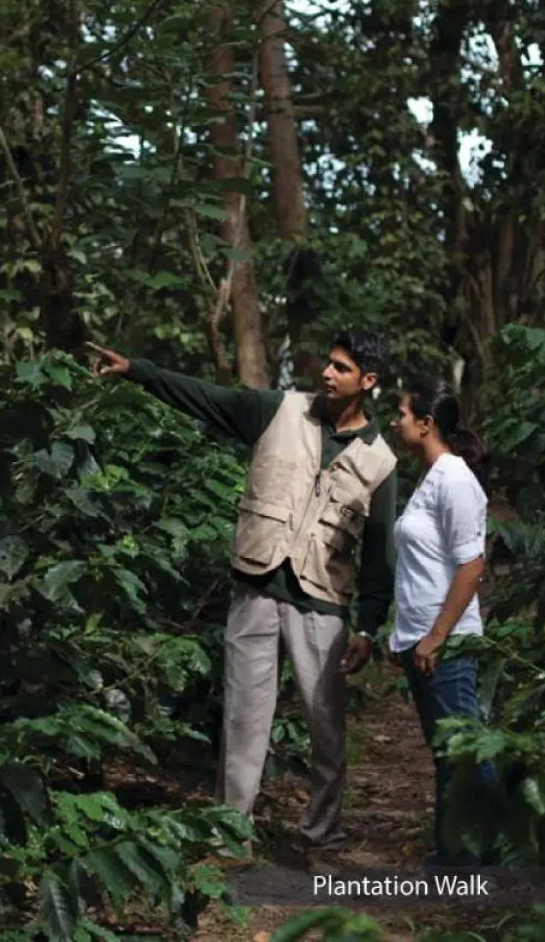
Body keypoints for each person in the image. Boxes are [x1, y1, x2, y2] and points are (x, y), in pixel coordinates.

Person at [87, 331, 398, 857]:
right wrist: (138, 369)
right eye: (327, 362)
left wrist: (368, 627)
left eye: (341, 368)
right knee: (244, 719)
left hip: (322, 603)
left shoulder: (382, 461)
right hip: (256, 587)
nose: (326, 373)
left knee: (326, 728)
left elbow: (379, 553)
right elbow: (206, 395)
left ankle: (321, 833)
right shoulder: (278, 410)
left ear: (367, 382)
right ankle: (232, 835)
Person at [387, 376, 499, 866]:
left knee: (467, 750)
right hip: (424, 638)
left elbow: (472, 566)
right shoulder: (429, 477)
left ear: (426, 423)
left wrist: (435, 636)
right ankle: (454, 856)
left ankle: (506, 857)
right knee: (449, 751)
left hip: (446, 641)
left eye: (401, 414)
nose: (395, 422)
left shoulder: (453, 479)